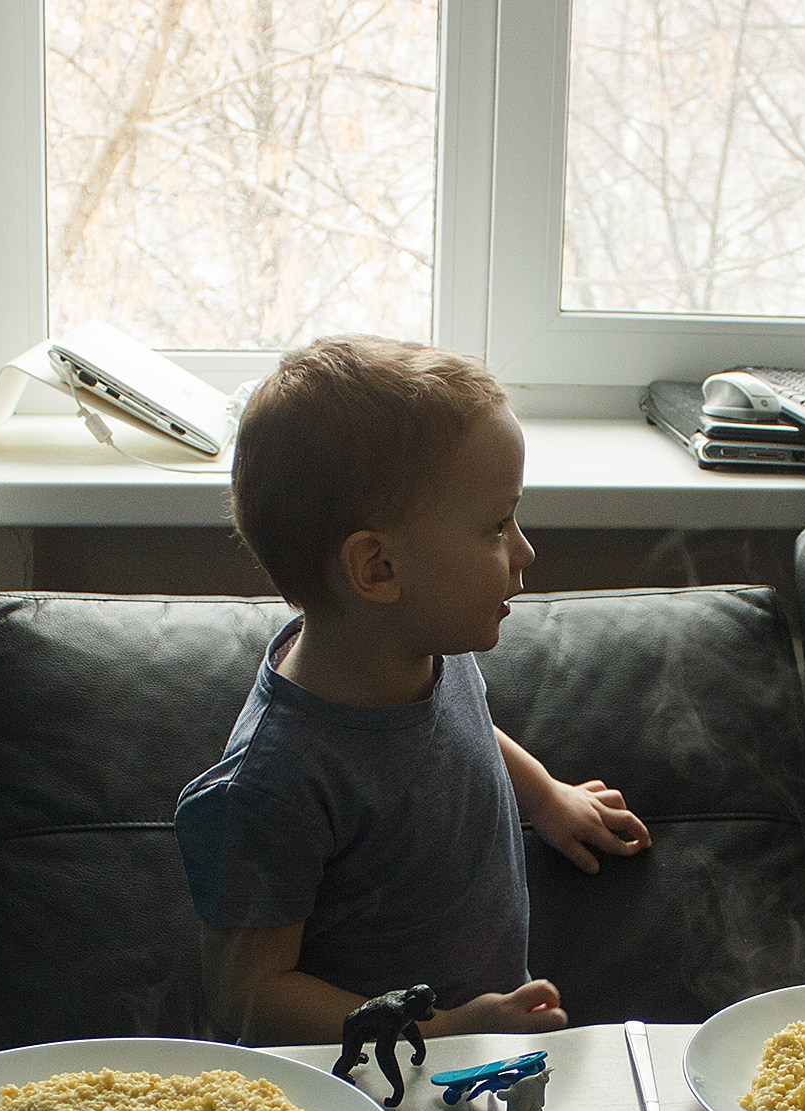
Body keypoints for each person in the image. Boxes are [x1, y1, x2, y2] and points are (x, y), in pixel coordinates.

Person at [174, 335, 651, 1046]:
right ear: (378, 569)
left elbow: (464, 732)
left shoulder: (420, 649)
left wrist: (545, 795)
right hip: (378, 1084)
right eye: (496, 526)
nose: (525, 551)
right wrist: (445, 1027)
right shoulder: (272, 784)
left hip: (477, 1052)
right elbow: (249, 999)